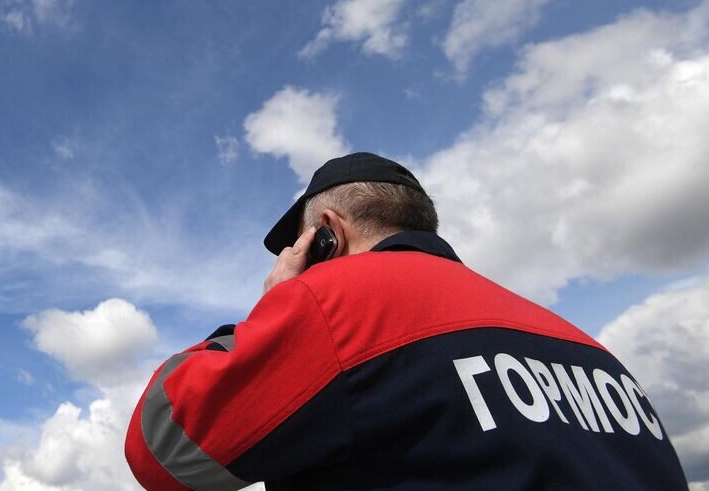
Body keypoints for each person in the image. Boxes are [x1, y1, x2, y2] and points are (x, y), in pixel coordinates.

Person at [124, 152, 687, 489]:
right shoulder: (588, 348)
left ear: (328, 231)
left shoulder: (332, 304)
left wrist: (276, 304)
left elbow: (164, 449)